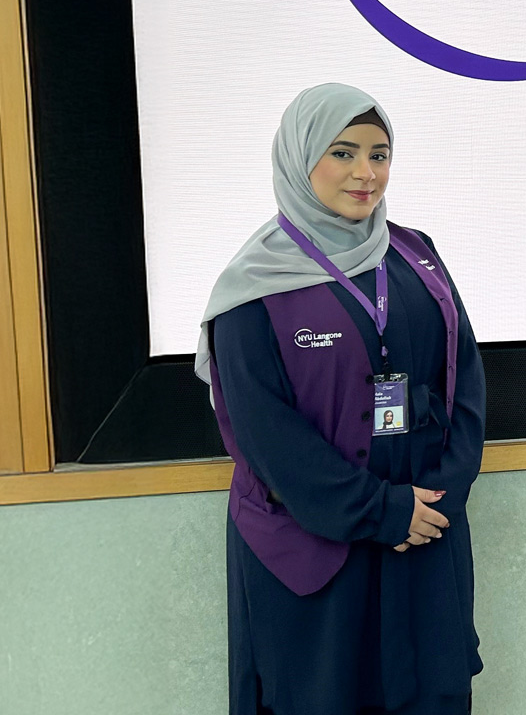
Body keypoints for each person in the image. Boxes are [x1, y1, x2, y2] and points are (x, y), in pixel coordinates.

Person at [194, 83, 487, 715]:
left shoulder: (416, 258)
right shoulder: (253, 289)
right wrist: (383, 513)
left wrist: (440, 497)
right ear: (301, 159)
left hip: (423, 538)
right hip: (318, 557)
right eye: (344, 152)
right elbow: (268, 441)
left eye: (379, 154)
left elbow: (465, 381)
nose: (365, 173)